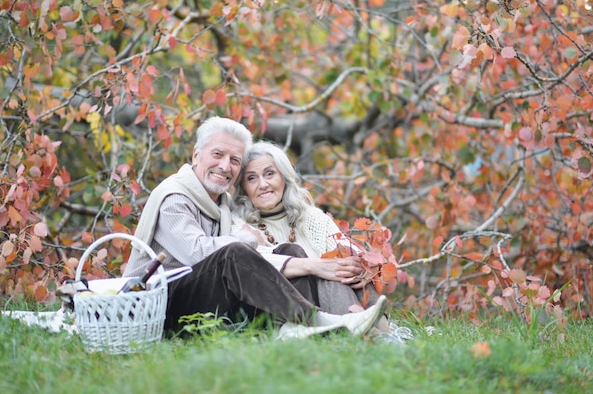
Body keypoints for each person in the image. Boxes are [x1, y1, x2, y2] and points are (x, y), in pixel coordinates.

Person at [122, 116, 387, 340]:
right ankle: (313, 319)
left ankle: (294, 328)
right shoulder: (175, 197)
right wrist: (244, 239)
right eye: (217, 154)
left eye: (234, 160)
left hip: (201, 301)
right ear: (196, 155)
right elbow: (197, 255)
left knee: (289, 250)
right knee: (233, 252)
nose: (225, 166)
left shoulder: (221, 204)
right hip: (155, 305)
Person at [231, 141, 414, 343]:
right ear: (243, 188)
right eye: (251, 178)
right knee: (331, 275)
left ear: (283, 177)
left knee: (351, 266)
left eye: (269, 174)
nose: (263, 184)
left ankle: (387, 334)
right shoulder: (240, 225)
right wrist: (319, 268)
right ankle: (371, 338)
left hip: (329, 299)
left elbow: (348, 250)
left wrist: (362, 266)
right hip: (288, 311)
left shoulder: (311, 217)